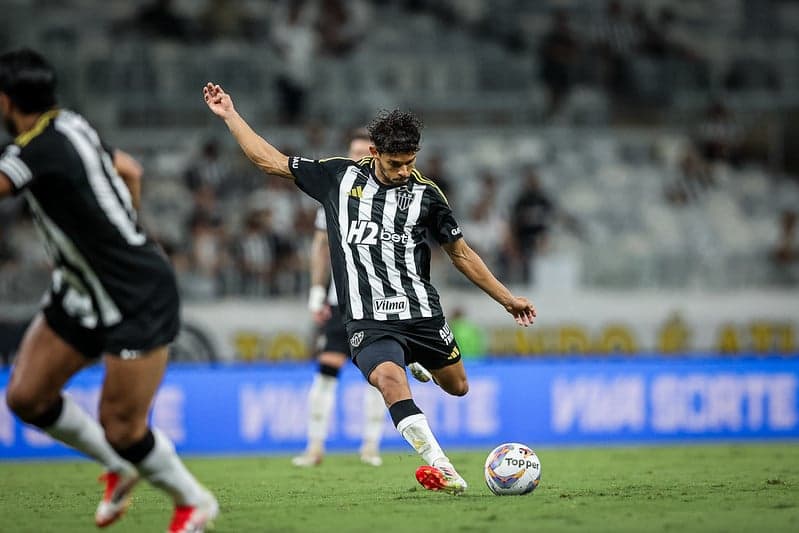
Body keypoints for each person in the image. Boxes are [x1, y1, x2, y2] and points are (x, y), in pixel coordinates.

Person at [204, 82, 536, 495]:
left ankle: (415, 356)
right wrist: (231, 114)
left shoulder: (427, 195)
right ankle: (443, 467)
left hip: (420, 312)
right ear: (374, 153)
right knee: (388, 380)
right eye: (396, 163)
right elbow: (268, 160)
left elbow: (462, 254)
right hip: (367, 317)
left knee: (458, 387)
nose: (403, 172)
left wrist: (508, 299)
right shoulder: (338, 178)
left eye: (410, 162)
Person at [0, 49, 217, 532]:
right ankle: (118, 467)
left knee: (123, 427)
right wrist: (128, 231)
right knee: (27, 397)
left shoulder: (32, 153)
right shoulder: (72, 124)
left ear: (6, 101)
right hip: (80, 290)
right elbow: (130, 170)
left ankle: (195, 501)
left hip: (133, 295)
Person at [293, 128, 387, 467]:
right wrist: (318, 292)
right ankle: (315, 447)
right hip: (341, 299)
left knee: (379, 373)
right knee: (327, 368)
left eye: (364, 154)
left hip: (378, 299)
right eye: (353, 153)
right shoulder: (334, 192)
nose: (357, 159)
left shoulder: (388, 195)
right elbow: (321, 246)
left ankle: (371, 446)